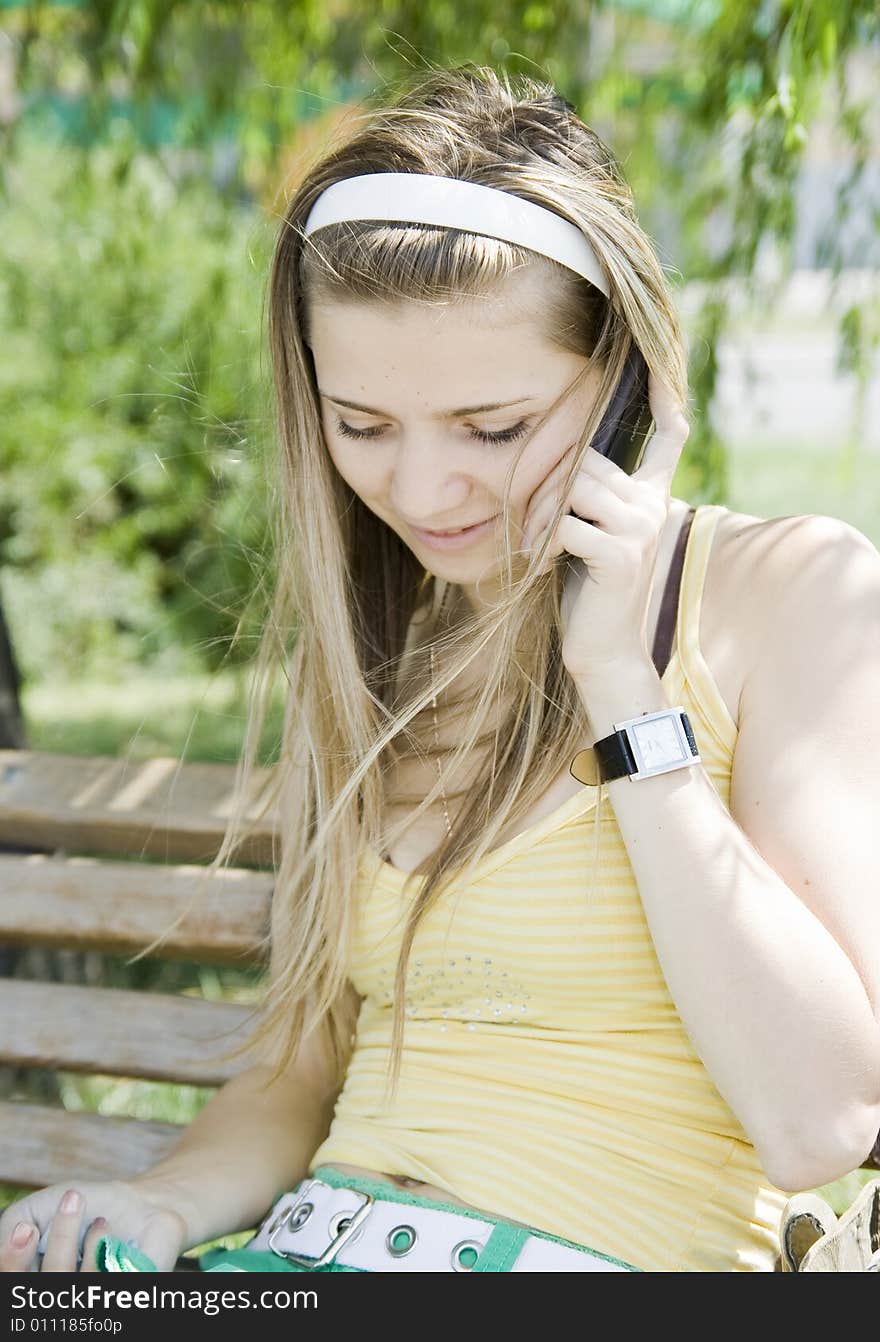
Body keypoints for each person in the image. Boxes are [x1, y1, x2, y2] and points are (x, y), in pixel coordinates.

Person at [2, 64, 879, 1276]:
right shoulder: (377, 655)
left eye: (493, 429)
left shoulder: (787, 593)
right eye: (361, 425)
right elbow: (297, 1074)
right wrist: (156, 1204)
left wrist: (625, 690)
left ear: (626, 380)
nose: (419, 493)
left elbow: (818, 1117)